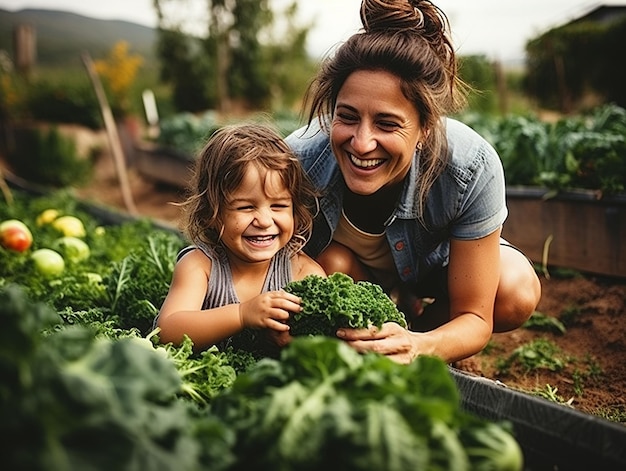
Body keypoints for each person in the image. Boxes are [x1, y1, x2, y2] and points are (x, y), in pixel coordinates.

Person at [284, 0, 542, 364]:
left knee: (515, 287)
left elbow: (475, 317)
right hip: (352, 274)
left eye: (387, 124)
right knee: (327, 265)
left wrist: (419, 345)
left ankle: (416, 330)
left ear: (425, 127)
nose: (361, 143)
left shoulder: (469, 167)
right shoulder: (298, 161)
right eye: (347, 116)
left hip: (434, 271)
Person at [156, 123, 326, 357]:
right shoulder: (201, 266)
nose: (265, 220)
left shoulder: (302, 272)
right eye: (246, 207)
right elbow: (167, 332)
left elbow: (323, 343)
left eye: (279, 206)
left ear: (295, 210)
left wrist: (293, 342)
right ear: (212, 214)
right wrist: (241, 315)